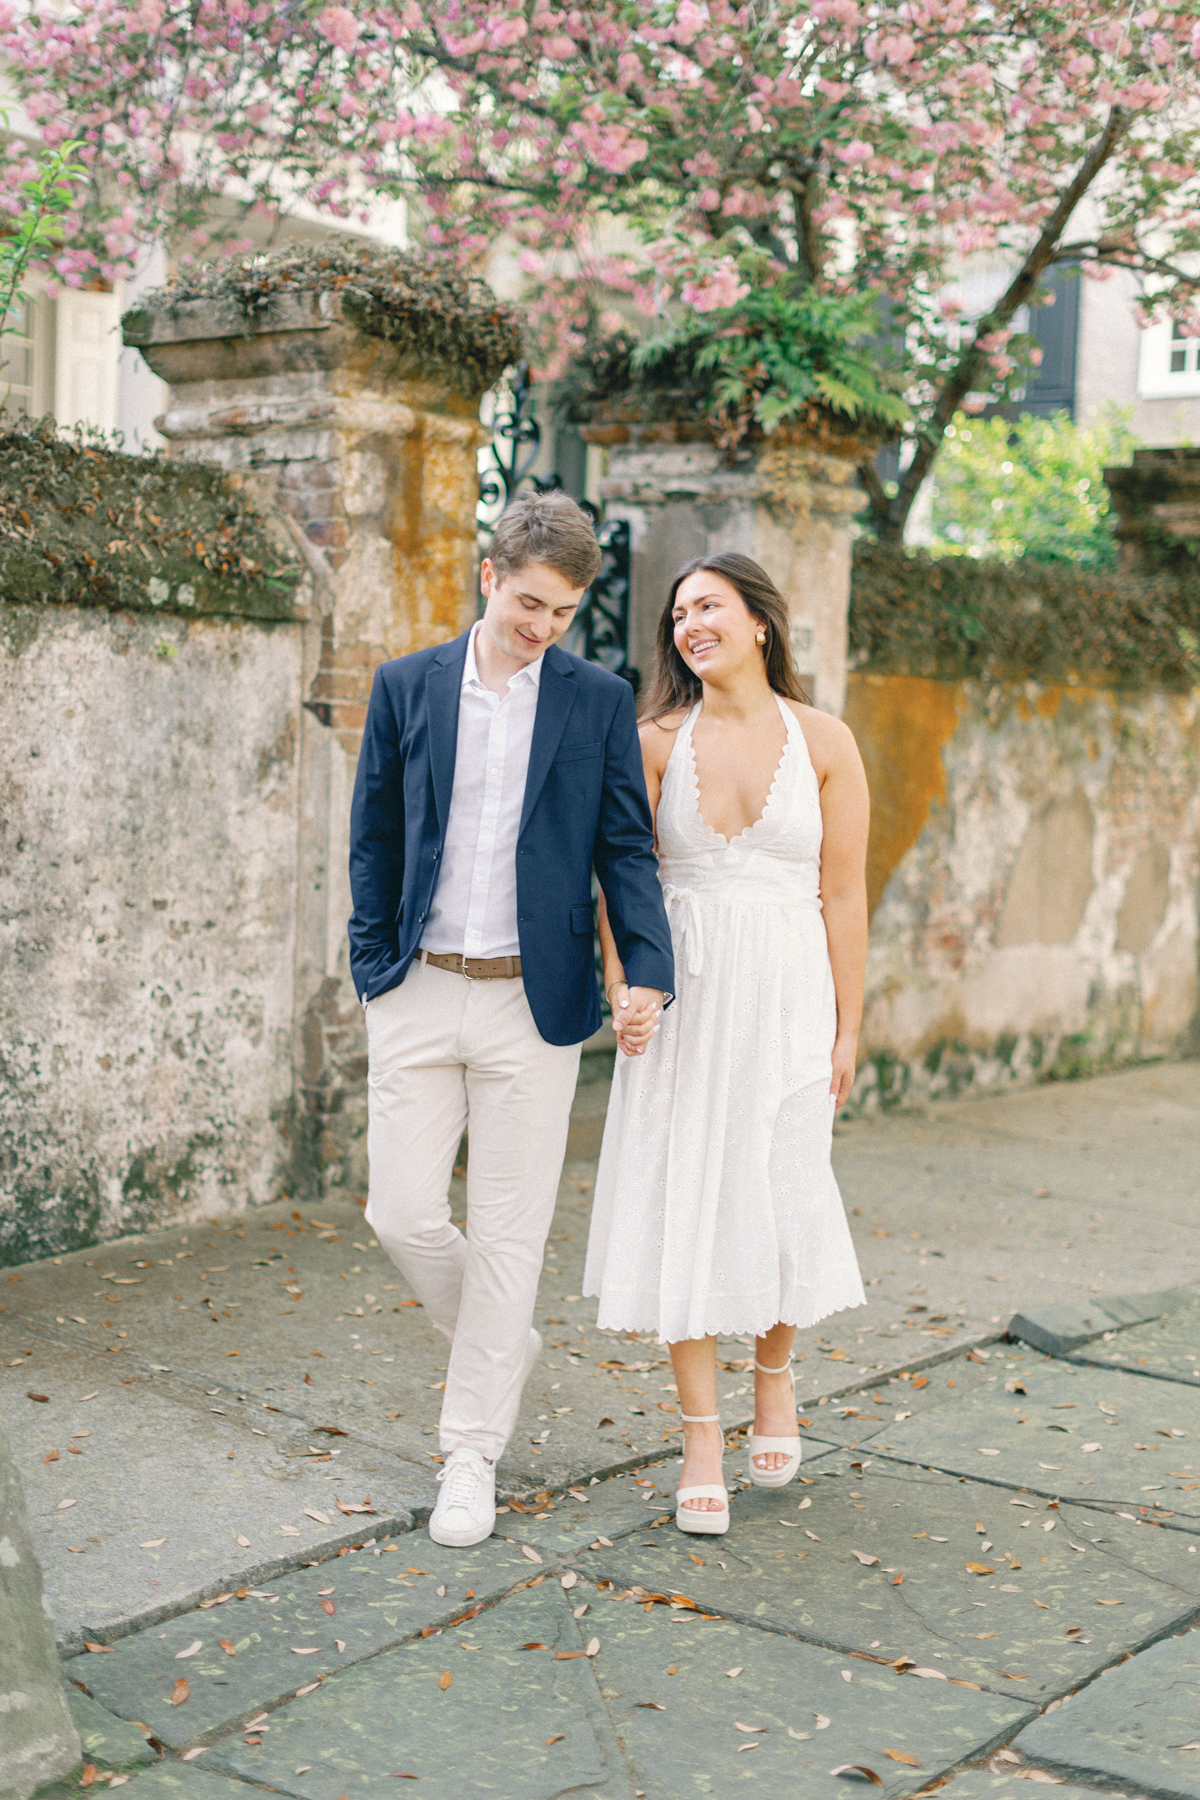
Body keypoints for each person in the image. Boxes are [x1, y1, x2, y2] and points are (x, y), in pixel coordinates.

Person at [348, 491, 674, 1548]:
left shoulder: (595, 701)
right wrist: (372, 968)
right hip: (418, 986)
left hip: (537, 1006)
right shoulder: (407, 687)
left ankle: (470, 1453)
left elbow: (625, 847)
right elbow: (373, 837)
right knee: (398, 1212)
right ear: (492, 576)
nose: (543, 628)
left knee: (510, 1238)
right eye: (531, 602)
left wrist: (648, 970)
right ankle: (500, 1340)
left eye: (564, 613)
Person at [583, 552, 868, 1536]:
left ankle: (776, 1378)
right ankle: (702, 1437)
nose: (689, 624)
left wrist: (851, 1026)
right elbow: (625, 874)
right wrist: (626, 984)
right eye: (677, 615)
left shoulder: (826, 740)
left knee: (783, 1189)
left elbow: (846, 890)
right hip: (686, 997)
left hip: (791, 996)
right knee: (686, 1200)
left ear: (760, 622)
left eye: (709, 605)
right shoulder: (655, 737)